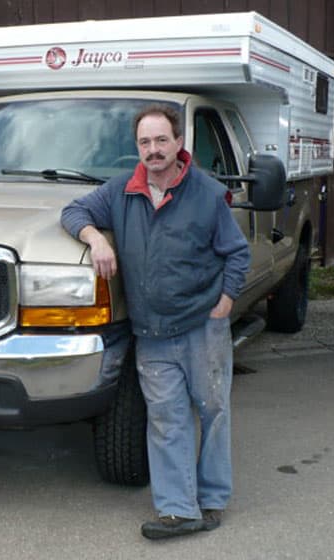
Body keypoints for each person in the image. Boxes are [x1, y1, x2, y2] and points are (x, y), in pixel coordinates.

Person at [61, 104, 250, 539]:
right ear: (138, 148)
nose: (153, 150)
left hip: (202, 324)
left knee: (213, 410)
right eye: (145, 142)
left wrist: (224, 303)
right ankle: (179, 510)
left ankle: (213, 499)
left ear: (179, 143)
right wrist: (95, 239)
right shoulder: (119, 192)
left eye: (161, 140)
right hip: (152, 333)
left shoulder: (206, 192)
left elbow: (236, 252)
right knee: (167, 418)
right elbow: (73, 212)